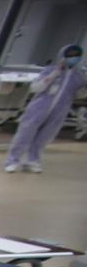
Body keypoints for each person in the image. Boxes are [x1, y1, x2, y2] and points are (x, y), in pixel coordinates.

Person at [5, 44, 83, 174]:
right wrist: (54, 75)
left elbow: (78, 94)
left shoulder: (79, 76)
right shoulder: (50, 70)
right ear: (63, 55)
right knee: (25, 134)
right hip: (39, 107)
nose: (73, 58)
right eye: (71, 55)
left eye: (76, 55)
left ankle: (32, 161)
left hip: (60, 110)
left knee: (44, 137)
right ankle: (12, 161)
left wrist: (83, 91)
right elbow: (36, 88)